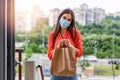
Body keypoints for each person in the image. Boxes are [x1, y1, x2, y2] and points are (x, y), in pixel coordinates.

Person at [47, 8, 83, 80]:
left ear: (71, 22)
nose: (66, 21)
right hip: (56, 73)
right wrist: (58, 47)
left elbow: (80, 53)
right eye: (64, 18)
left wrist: (71, 47)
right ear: (60, 17)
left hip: (71, 73)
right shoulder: (52, 35)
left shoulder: (75, 34)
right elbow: (50, 55)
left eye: (69, 20)